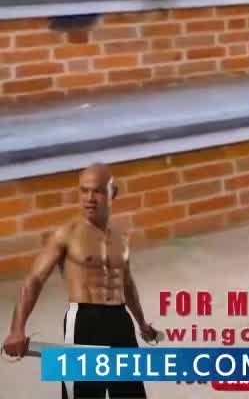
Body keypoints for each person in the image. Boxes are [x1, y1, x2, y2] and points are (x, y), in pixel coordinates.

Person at [3, 163, 160, 399]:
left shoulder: (121, 237)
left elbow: (127, 284)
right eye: (84, 191)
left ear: (113, 193)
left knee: (131, 393)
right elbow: (34, 279)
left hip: (120, 320)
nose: (89, 199)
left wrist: (142, 324)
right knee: (83, 394)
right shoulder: (66, 234)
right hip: (84, 321)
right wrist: (17, 329)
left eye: (97, 191)